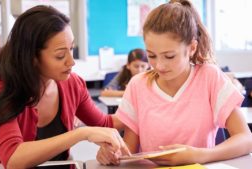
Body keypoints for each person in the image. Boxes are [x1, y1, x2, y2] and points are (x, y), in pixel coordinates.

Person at [96, 0, 252, 166]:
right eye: (152, 56)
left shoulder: (209, 77)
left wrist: (200, 155)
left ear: (191, 48)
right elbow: (128, 150)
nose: (159, 66)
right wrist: (112, 153)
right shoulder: (138, 85)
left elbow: (246, 139)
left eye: (169, 56)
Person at [0, 5, 130, 169]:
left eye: (71, 49)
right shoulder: (2, 89)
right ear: (32, 57)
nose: (71, 62)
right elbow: (14, 158)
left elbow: (105, 123)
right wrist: (81, 134)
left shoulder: (72, 83)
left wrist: (144, 99)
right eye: (60, 55)